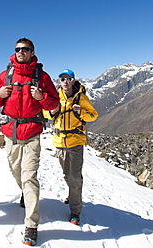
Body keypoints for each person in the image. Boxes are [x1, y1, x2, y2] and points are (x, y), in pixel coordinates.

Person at [0, 38, 59, 246]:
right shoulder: (6, 75)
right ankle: (26, 195)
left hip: (32, 133)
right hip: (10, 133)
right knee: (16, 171)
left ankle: (31, 225)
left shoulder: (42, 77)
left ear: (32, 52)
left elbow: (54, 103)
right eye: (17, 49)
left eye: (25, 49)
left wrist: (41, 97)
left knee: (29, 177)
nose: (21, 52)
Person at [44, 69, 98, 225]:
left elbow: (93, 115)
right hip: (60, 142)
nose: (65, 82)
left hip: (75, 142)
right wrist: (51, 112)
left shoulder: (81, 97)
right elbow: (45, 113)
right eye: (62, 79)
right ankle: (72, 196)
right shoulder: (55, 97)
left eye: (68, 79)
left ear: (73, 81)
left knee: (74, 177)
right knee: (67, 174)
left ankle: (75, 211)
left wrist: (81, 112)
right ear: (60, 82)